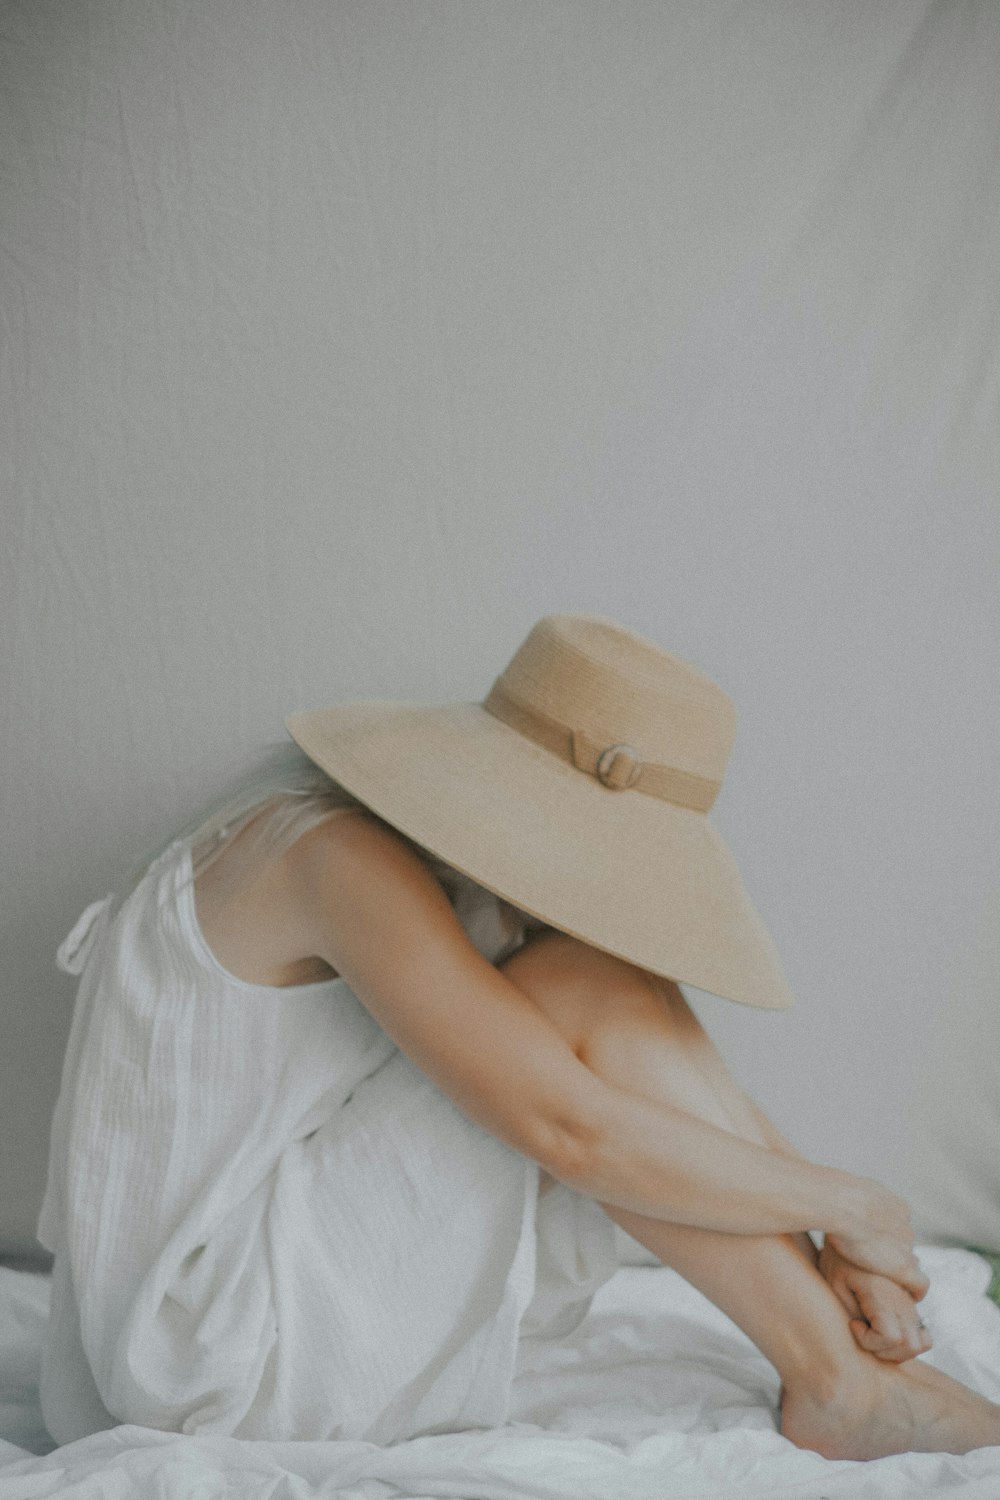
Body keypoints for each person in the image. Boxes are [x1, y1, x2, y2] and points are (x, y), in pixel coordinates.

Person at [37, 613, 1000, 1460]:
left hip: (230, 1309)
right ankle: (843, 1385)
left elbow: (680, 1087)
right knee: (587, 987)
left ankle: (838, 1369)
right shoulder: (330, 858)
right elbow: (572, 1129)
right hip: (207, 1359)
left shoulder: (406, 863)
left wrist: (836, 1235)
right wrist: (857, 1204)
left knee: (608, 979)